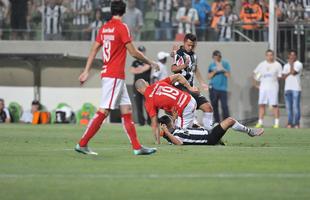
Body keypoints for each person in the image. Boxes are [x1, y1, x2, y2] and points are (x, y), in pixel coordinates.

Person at [75, 0, 158, 156]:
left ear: (111, 11)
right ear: (124, 12)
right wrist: (150, 62)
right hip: (114, 75)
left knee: (126, 109)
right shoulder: (122, 27)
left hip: (110, 74)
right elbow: (133, 52)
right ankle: (82, 143)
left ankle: (137, 147)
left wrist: (86, 71)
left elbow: (93, 50)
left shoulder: (104, 28)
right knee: (104, 110)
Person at [135, 74, 199, 144]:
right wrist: (190, 88)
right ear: (147, 83)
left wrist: (157, 142)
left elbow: (154, 124)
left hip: (185, 108)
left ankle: (207, 136)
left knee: (179, 139)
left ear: (138, 90)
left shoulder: (149, 101)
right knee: (182, 130)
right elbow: (178, 76)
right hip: (190, 99)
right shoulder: (159, 83)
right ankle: (196, 127)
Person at [171, 33, 214, 130]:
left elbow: (195, 69)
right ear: (184, 42)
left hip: (191, 88)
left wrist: (202, 82)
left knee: (208, 108)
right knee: (188, 108)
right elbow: (173, 68)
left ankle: (209, 133)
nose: (190, 47)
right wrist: (184, 66)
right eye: (188, 44)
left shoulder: (194, 55)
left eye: (192, 45)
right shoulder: (179, 54)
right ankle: (180, 131)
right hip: (180, 87)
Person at [158, 115, 264, 145]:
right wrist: (166, 132)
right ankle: (251, 132)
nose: (174, 122)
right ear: (168, 126)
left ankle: (220, 142)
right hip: (210, 138)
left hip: (208, 133)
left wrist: (197, 127)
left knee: (223, 123)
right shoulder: (174, 135)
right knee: (230, 120)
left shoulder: (177, 130)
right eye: (172, 121)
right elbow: (179, 143)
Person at [253, 49, 282, 128]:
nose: (270, 57)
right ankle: (260, 122)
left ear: (273, 55)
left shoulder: (277, 65)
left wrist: (273, 83)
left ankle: (276, 123)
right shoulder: (261, 64)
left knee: (274, 105)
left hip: (273, 88)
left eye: (271, 55)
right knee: (261, 104)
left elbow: (279, 77)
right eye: (268, 55)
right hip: (263, 88)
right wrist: (256, 84)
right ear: (266, 56)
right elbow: (256, 75)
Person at [130, 45, 151, 126]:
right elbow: (132, 71)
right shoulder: (134, 62)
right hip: (137, 87)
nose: (141, 53)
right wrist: (140, 70)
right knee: (138, 104)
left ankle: (149, 121)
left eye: (142, 51)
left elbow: (145, 68)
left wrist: (138, 69)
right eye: (140, 51)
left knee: (148, 105)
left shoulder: (147, 61)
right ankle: (141, 122)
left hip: (146, 87)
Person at [208, 50, 231, 123]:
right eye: (215, 57)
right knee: (214, 106)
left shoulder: (225, 63)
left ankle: (227, 122)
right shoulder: (211, 65)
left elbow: (228, 75)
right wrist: (215, 71)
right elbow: (209, 76)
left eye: (219, 57)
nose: (217, 59)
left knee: (224, 106)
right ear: (213, 57)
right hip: (213, 88)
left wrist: (222, 68)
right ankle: (217, 122)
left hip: (223, 89)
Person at [282, 50, 303, 128]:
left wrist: (291, 65)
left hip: (296, 89)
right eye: (291, 55)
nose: (292, 56)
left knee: (296, 107)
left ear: (296, 56)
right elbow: (283, 77)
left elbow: (293, 73)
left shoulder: (299, 64)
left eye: (293, 55)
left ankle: (297, 123)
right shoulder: (285, 65)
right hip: (287, 88)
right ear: (289, 56)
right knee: (288, 107)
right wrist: (289, 72)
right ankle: (290, 123)